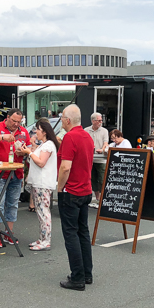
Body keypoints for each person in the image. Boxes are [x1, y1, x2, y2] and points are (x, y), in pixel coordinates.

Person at [56, 104, 94, 291]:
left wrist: (59, 187)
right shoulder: (87, 136)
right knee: (82, 233)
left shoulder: (70, 137)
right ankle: (87, 273)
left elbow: (65, 167)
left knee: (70, 234)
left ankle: (77, 277)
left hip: (71, 191)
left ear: (68, 120)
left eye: (62, 117)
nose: (61, 120)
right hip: (86, 189)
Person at [0, 108, 31, 248]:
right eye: (14, 121)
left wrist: (24, 152)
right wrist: (2, 137)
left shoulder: (23, 132)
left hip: (17, 173)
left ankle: (8, 232)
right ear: (7, 118)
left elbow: (30, 147)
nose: (16, 124)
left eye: (19, 122)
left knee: (13, 204)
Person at [21, 118, 59, 251]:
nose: (35, 131)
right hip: (39, 182)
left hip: (43, 183)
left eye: (37, 129)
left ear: (43, 131)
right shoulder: (45, 144)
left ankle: (46, 240)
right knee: (41, 211)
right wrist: (31, 149)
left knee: (43, 211)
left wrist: (29, 153)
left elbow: (41, 162)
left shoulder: (48, 145)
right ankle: (42, 238)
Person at [84, 112, 109, 208]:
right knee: (93, 178)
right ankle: (97, 198)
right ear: (93, 121)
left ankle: (102, 198)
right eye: (98, 121)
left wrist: (102, 149)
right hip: (90, 159)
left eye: (101, 120)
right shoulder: (86, 130)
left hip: (101, 159)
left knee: (102, 178)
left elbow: (106, 143)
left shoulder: (104, 131)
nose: (100, 122)